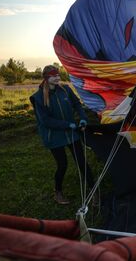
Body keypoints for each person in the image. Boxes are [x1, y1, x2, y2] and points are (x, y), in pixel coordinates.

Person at [30, 65, 94, 205]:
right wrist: (67, 125)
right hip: (54, 136)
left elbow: (77, 104)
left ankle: (93, 191)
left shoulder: (65, 90)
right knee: (62, 164)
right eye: (54, 76)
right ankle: (58, 192)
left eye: (58, 75)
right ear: (47, 78)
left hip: (71, 133)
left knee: (82, 162)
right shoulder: (38, 97)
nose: (58, 77)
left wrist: (83, 118)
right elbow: (45, 121)